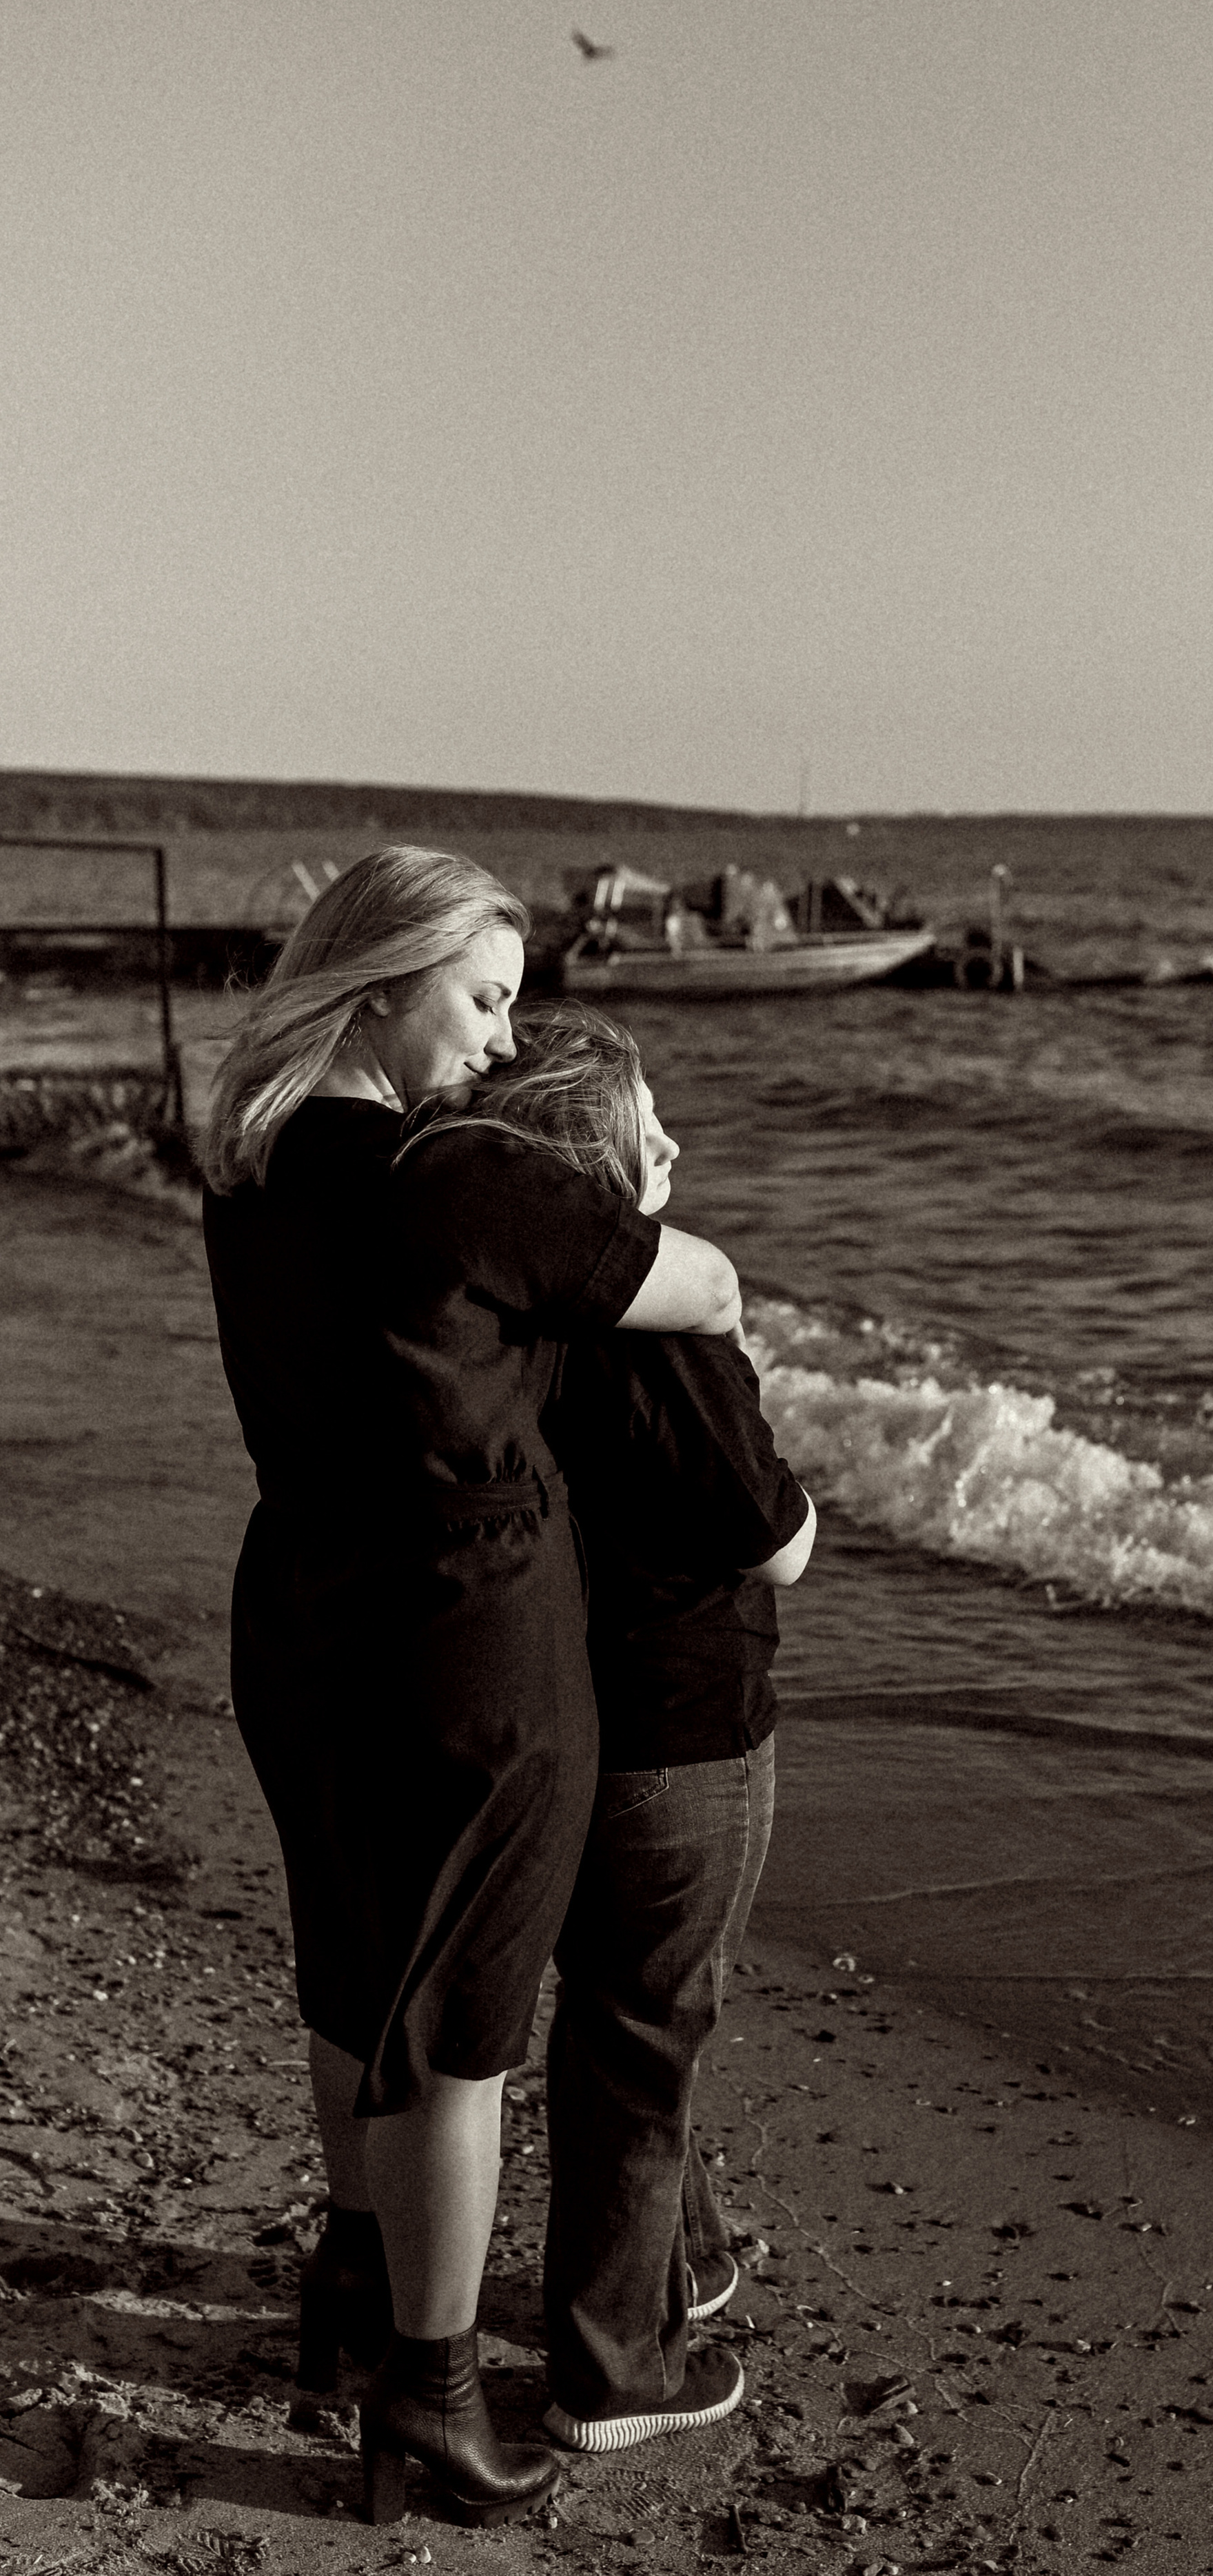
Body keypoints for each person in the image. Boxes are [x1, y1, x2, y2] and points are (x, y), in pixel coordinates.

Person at [200, 847, 742, 2527]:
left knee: (353, 1968)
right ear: (384, 981)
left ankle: (353, 2285)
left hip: (300, 1598)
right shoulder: (451, 1176)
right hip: (467, 1622)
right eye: (488, 999)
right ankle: (430, 2402)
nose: (506, 1046)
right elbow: (695, 1279)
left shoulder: (253, 1165)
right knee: (461, 2032)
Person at [411, 1002, 813, 2453]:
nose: (677, 1147)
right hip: (685, 1725)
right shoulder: (670, 1345)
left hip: (564, 1704)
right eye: (651, 1133)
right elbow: (771, 1539)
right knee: (648, 2024)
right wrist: (804, 1502)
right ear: (596, 1167)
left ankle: (677, 2263)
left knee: (626, 1998)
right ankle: (607, 2365)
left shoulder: (507, 1321)